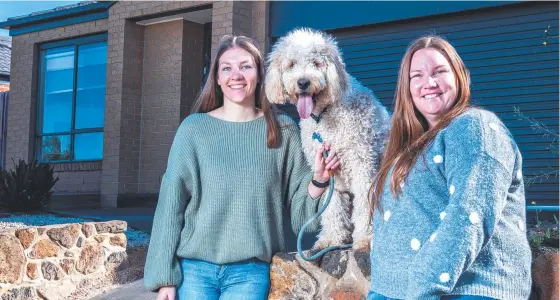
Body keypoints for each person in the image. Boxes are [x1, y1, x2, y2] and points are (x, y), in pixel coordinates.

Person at [143, 35, 340, 300]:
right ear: (217, 78)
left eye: (246, 66)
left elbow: (301, 219)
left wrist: (318, 180)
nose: (236, 75)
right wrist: (164, 278)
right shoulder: (194, 130)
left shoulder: (283, 131)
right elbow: (170, 205)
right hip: (194, 271)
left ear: (260, 74)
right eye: (227, 68)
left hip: (251, 273)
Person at [367, 35, 531, 300]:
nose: (428, 83)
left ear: (459, 76)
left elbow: (468, 215)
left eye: (439, 72)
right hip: (396, 291)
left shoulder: (474, 126)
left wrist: (423, 290)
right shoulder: (411, 147)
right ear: (406, 87)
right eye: (416, 76)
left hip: (465, 290)